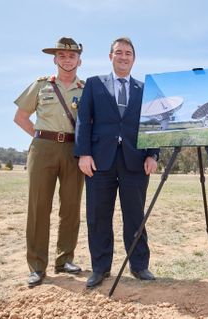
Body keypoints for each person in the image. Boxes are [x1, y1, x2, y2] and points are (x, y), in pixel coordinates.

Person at [75, 37, 159, 288]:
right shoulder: (93, 84)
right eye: (119, 52)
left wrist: (153, 154)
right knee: (99, 216)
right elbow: (82, 120)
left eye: (128, 53)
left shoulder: (145, 90)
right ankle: (100, 268)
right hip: (99, 161)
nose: (123, 57)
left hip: (135, 161)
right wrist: (83, 153)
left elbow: (153, 124)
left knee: (135, 216)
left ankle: (139, 265)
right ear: (110, 56)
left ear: (134, 58)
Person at [13, 37, 85, 287]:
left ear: (79, 60)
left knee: (71, 207)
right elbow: (21, 117)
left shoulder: (85, 90)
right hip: (43, 148)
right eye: (62, 56)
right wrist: (39, 135)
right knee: (39, 207)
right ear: (55, 59)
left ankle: (64, 259)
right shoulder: (41, 85)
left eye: (72, 56)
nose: (67, 59)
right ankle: (36, 265)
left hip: (73, 149)